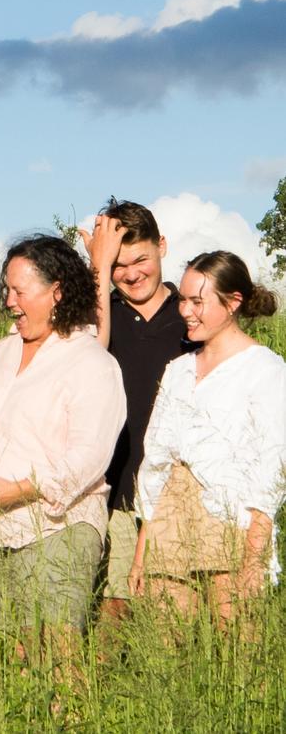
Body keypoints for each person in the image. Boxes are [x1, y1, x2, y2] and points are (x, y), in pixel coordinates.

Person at [0, 235, 126, 663]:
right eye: (7, 291)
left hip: (60, 523)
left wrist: (21, 488)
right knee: (14, 658)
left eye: (20, 291)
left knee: (56, 651)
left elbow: (88, 457)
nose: (10, 302)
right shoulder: (0, 353)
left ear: (56, 291)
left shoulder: (91, 361)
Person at [130, 251, 286, 628]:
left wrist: (254, 557)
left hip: (229, 519)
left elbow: (272, 467)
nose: (185, 310)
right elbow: (155, 463)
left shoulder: (265, 369)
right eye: (183, 299)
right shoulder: (178, 370)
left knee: (236, 647)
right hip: (169, 520)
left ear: (232, 303)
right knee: (165, 649)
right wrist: (141, 554)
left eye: (197, 301)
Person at [79, 199, 196, 625]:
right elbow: (86, 352)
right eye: (118, 265)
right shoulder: (101, 314)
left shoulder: (191, 316)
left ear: (162, 245)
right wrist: (97, 265)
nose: (131, 274)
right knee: (115, 606)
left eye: (140, 259)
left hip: (179, 489)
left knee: (175, 614)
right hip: (118, 484)